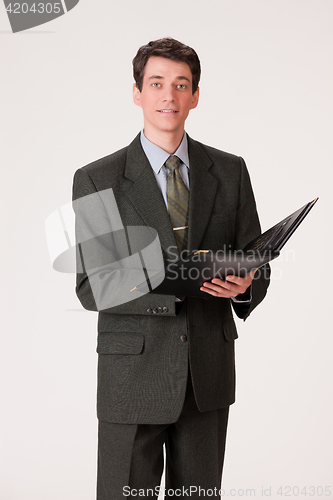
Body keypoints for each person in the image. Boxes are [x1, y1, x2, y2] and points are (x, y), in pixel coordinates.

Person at [72, 37, 270, 500]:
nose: (169, 95)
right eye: (156, 83)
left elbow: (254, 261)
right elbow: (92, 285)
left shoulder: (230, 170)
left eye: (181, 85)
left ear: (195, 96)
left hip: (207, 376)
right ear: (137, 92)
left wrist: (245, 285)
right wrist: (176, 284)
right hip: (132, 377)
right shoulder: (98, 178)